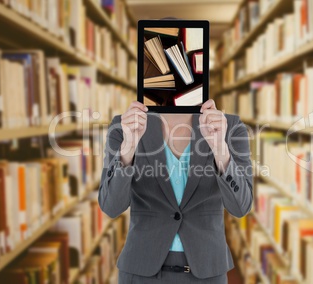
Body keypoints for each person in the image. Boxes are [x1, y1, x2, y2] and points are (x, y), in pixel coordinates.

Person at [98, 99, 253, 283]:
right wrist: (128, 149)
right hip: (141, 270)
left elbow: (241, 206)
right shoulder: (123, 127)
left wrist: (220, 150)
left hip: (207, 271)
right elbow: (111, 206)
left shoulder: (230, 127)